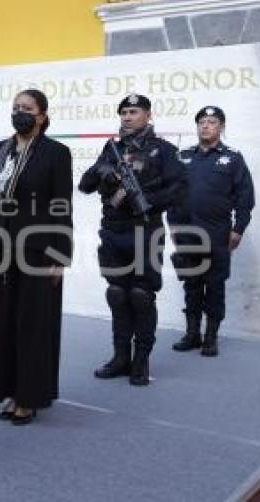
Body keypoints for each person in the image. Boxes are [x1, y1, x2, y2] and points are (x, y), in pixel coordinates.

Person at [78, 93, 186, 386]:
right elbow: (85, 184)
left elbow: (179, 190)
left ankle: (141, 360)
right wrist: (107, 175)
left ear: (148, 115)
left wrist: (144, 199)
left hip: (145, 230)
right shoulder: (111, 149)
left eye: (134, 112)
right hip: (113, 231)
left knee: (141, 295)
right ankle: (120, 356)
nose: (127, 117)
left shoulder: (163, 151)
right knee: (116, 294)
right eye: (124, 112)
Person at [0, 89, 73, 424]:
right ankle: (7, 391)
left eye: (28, 108)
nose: (20, 112)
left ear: (42, 116)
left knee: (32, 326)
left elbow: (62, 206)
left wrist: (60, 256)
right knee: (3, 325)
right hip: (1, 252)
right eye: (16, 107)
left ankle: (29, 397)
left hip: (38, 252)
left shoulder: (56, 153)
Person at [168, 106, 254, 356]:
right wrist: (173, 226)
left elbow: (245, 197)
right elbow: (172, 194)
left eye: (212, 122)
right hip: (187, 234)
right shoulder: (183, 156)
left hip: (217, 234)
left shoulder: (233, 158)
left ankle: (211, 337)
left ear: (221, 128)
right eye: (202, 122)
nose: (205, 126)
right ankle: (192, 334)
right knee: (191, 285)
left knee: (214, 285)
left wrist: (238, 229)